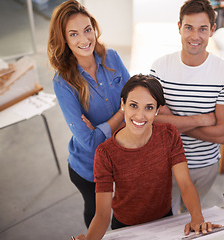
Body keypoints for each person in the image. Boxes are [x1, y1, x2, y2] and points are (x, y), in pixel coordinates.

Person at [74, 74, 220, 240]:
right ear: (123, 105)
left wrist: (197, 217)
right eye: (133, 106)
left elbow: (185, 184)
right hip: (125, 227)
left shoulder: (169, 134)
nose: (140, 116)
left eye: (149, 108)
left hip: (165, 222)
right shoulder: (105, 153)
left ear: (157, 110)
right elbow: (102, 215)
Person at [150, 0, 224, 214]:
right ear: (179, 27)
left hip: (204, 166)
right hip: (165, 163)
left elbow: (223, 135)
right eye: (189, 27)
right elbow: (151, 120)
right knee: (163, 219)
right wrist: (202, 119)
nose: (195, 36)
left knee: (190, 217)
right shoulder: (159, 67)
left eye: (202, 29)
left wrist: (173, 123)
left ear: (212, 30)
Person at [47, 0, 130, 228]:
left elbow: (136, 100)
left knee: (125, 215)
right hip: (89, 167)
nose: (84, 40)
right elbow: (90, 142)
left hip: (123, 157)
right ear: (64, 39)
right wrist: (121, 113)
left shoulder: (111, 57)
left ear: (94, 28)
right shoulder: (63, 83)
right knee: (97, 218)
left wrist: (107, 124)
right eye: (73, 34)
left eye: (87, 30)